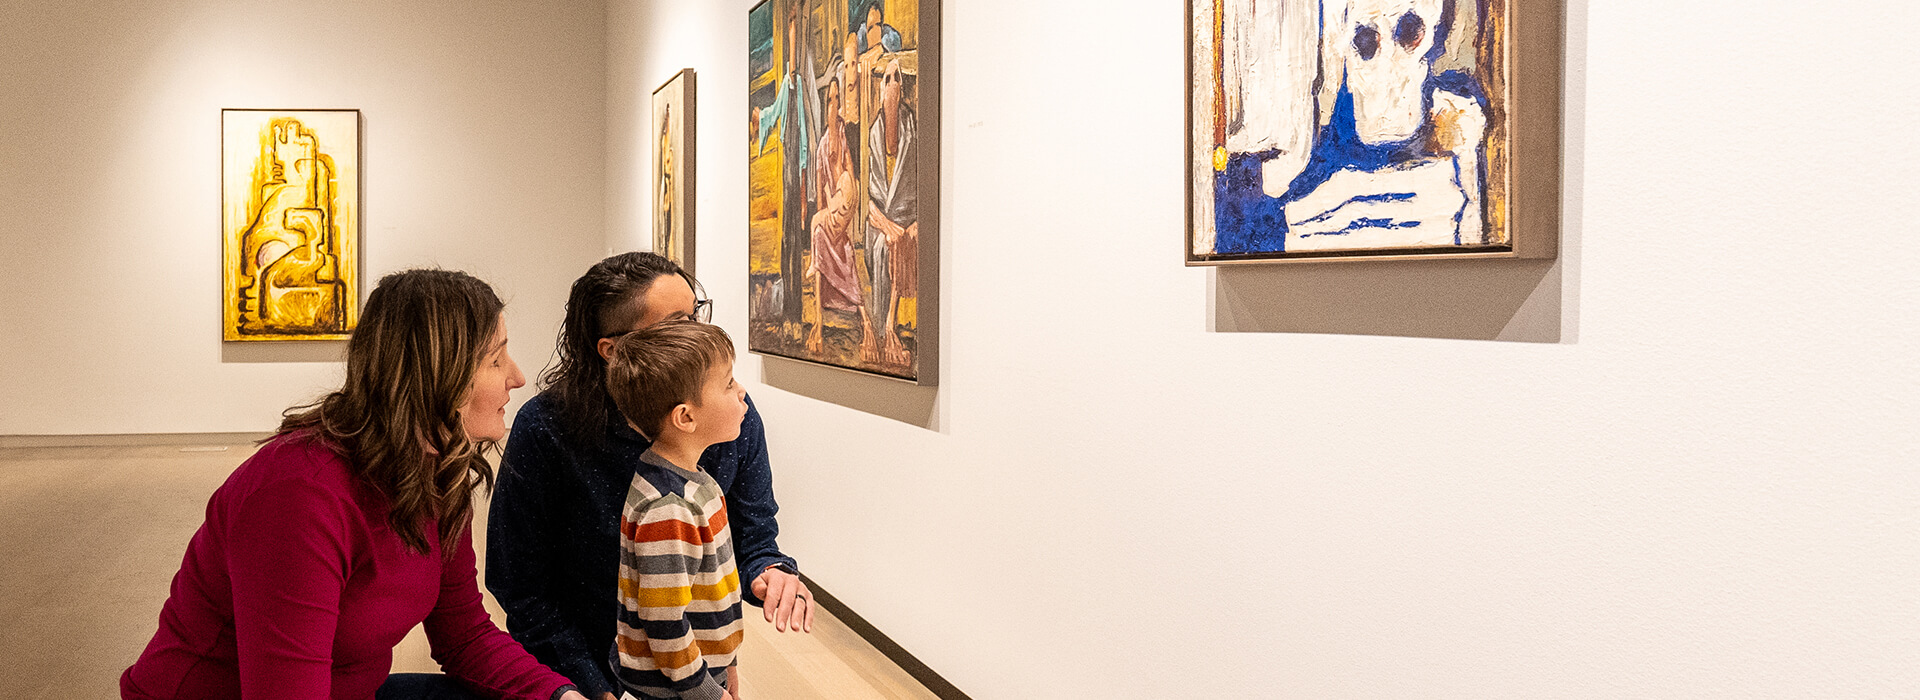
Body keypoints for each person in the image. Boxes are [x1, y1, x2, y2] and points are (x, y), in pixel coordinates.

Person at [120, 269, 586, 700]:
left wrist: (562, 696)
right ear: (438, 374)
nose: (518, 376)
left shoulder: (435, 470)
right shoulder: (298, 493)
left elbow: (464, 636)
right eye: (495, 359)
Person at [487, 253, 813, 700]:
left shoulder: (730, 418)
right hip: (585, 672)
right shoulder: (546, 429)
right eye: (678, 323)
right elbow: (521, 588)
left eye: (696, 315)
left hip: (696, 672)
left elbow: (752, 537)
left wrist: (770, 573)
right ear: (613, 349)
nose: (698, 334)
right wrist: (592, 688)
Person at [604, 321, 748, 700]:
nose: (741, 391)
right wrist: (704, 690)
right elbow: (664, 622)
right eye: (729, 383)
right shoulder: (670, 509)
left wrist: (726, 661)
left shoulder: (693, 482)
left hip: (697, 672)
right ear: (685, 417)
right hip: (671, 688)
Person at [865, 58, 919, 366]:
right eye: (887, 79)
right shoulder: (874, 132)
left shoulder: (912, 128)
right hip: (881, 221)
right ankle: (883, 327)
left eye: (897, 78)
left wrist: (913, 224)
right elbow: (871, 201)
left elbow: (926, 185)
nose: (892, 84)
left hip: (908, 219)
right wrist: (885, 224)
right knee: (881, 246)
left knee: (898, 244)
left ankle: (890, 327)